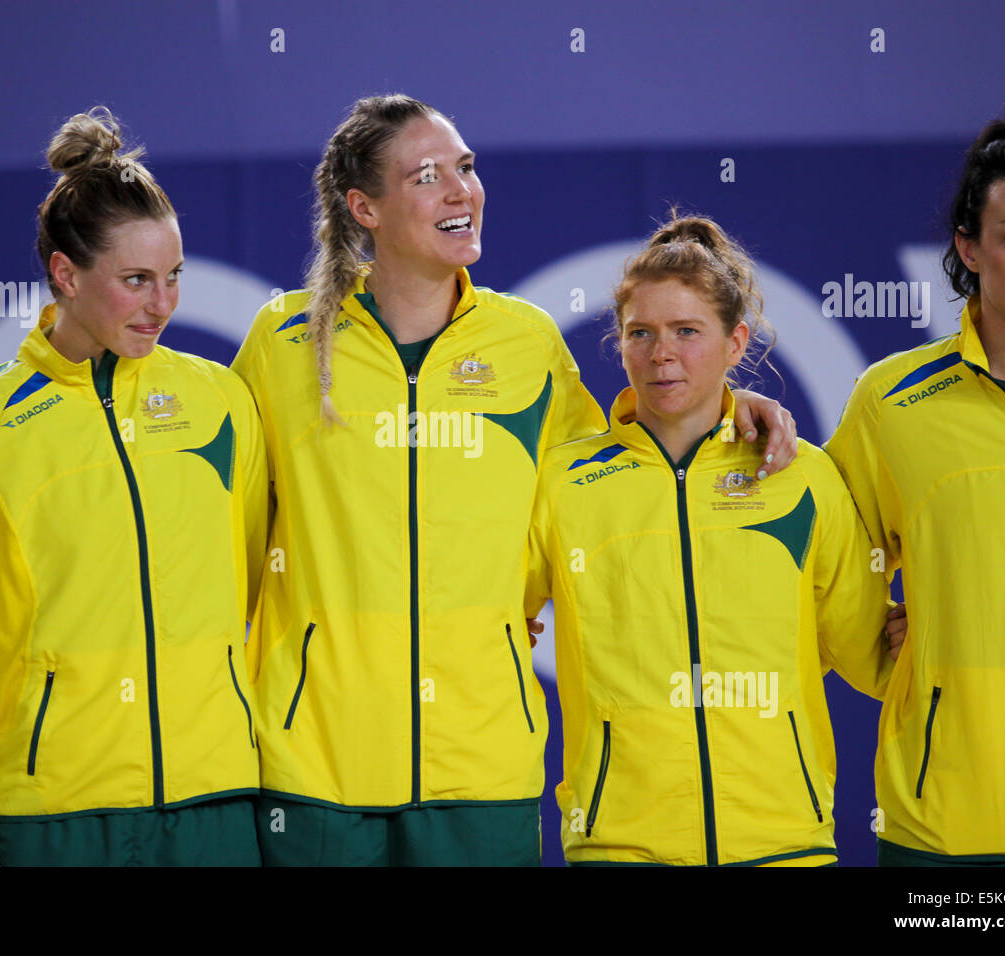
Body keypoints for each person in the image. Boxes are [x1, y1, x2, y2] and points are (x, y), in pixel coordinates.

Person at [231, 94, 800, 866]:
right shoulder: (283, 343)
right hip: (313, 767)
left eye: (465, 167)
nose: (461, 189)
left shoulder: (526, 345)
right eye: (428, 175)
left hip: (483, 767)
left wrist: (728, 400)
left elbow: (617, 475)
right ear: (363, 206)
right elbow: (209, 519)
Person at [0, 107, 267, 866]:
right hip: (51, 815)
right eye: (136, 280)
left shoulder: (223, 402)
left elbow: (259, 588)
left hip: (218, 805)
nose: (162, 305)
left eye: (172, 279)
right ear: (66, 273)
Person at [525, 212, 899, 866]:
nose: (661, 353)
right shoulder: (564, 482)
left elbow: (869, 653)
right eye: (640, 333)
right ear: (619, 342)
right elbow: (487, 613)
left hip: (782, 842)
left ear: (736, 342)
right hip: (621, 845)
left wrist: (939, 632)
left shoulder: (801, 479)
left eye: (687, 332)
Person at [827, 114, 1005, 866]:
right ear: (968, 248)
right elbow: (826, 564)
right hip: (945, 832)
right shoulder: (893, 402)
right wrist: (904, 659)